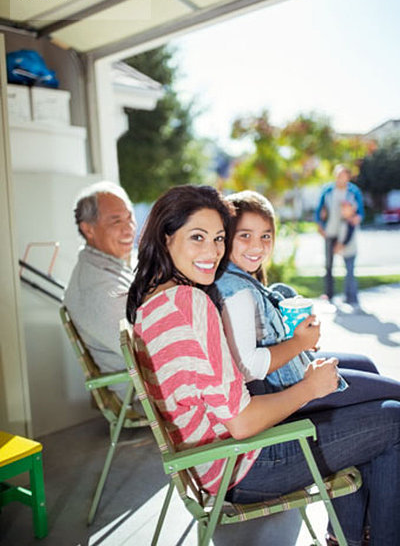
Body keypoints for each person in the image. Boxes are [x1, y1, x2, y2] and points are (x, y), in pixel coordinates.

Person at [126, 184, 400, 546]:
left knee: (370, 417)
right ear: (165, 237)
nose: (213, 251)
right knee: (394, 420)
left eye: (218, 238)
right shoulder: (190, 304)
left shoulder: (152, 301)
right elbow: (242, 422)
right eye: (198, 237)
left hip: (212, 462)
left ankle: (351, 537)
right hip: (241, 467)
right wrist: (309, 388)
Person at [215, 189, 400, 413]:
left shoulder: (238, 278)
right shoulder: (237, 292)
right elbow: (248, 367)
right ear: (225, 237)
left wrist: (296, 337)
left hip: (290, 373)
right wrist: (300, 343)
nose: (258, 246)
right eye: (245, 235)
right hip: (286, 393)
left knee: (366, 363)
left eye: (265, 235)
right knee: (393, 402)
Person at [64, 181, 136, 399]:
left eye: (129, 218)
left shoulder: (115, 263)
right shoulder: (96, 285)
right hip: (142, 394)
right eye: (116, 221)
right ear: (88, 229)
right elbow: (143, 350)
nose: (129, 228)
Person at [315, 164, 364, 307]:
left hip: (345, 231)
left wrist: (357, 218)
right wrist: (319, 225)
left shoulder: (354, 191)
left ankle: (351, 297)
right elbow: (319, 210)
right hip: (330, 232)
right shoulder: (328, 190)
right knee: (329, 265)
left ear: (348, 177)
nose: (340, 178)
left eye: (343, 175)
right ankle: (329, 294)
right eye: (338, 175)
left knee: (349, 265)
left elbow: (360, 211)